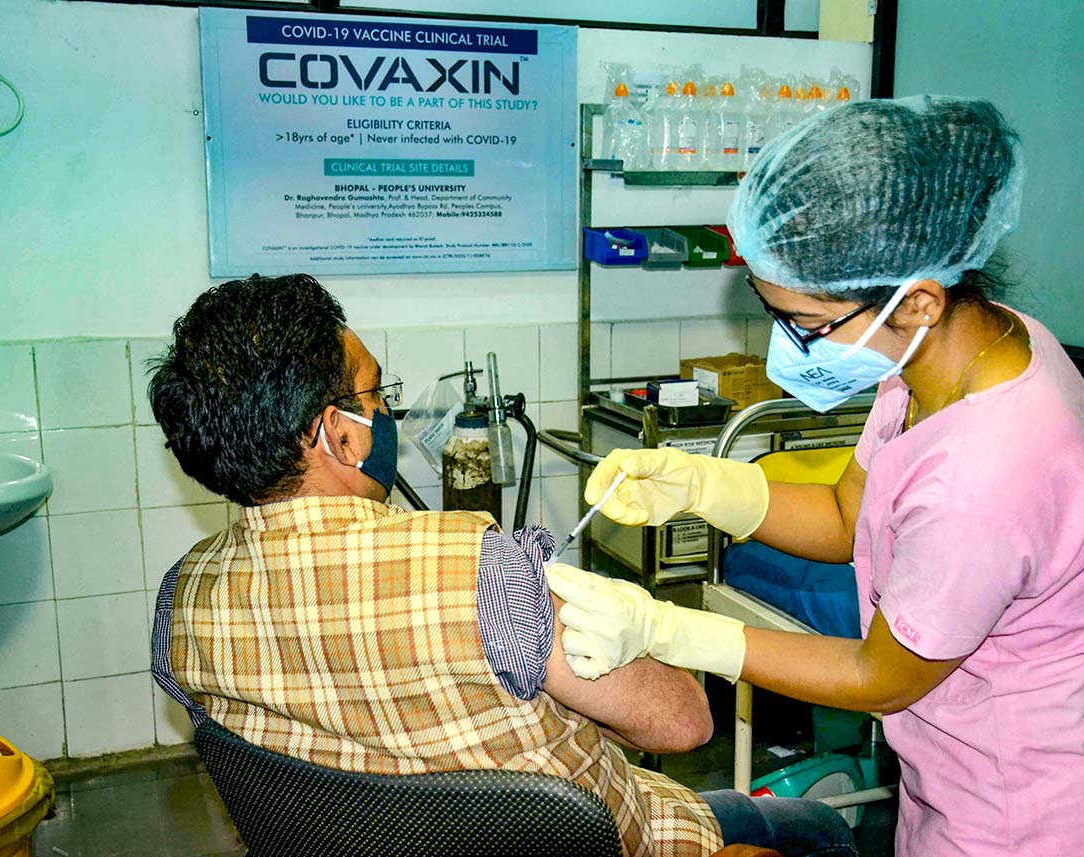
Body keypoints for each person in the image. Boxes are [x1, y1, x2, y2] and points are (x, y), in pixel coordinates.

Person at [547, 96, 1084, 856]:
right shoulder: (941, 355)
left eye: (805, 324)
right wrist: (704, 485)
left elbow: (879, 675)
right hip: (950, 782)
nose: (789, 346)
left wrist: (665, 628)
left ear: (920, 299)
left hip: (1027, 820)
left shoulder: (991, 470)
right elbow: (846, 515)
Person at [146, 274, 855, 857]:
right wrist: (632, 638)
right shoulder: (478, 571)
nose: (387, 409)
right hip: (624, 837)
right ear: (339, 434)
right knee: (819, 830)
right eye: (374, 394)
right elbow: (682, 723)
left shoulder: (181, 601)